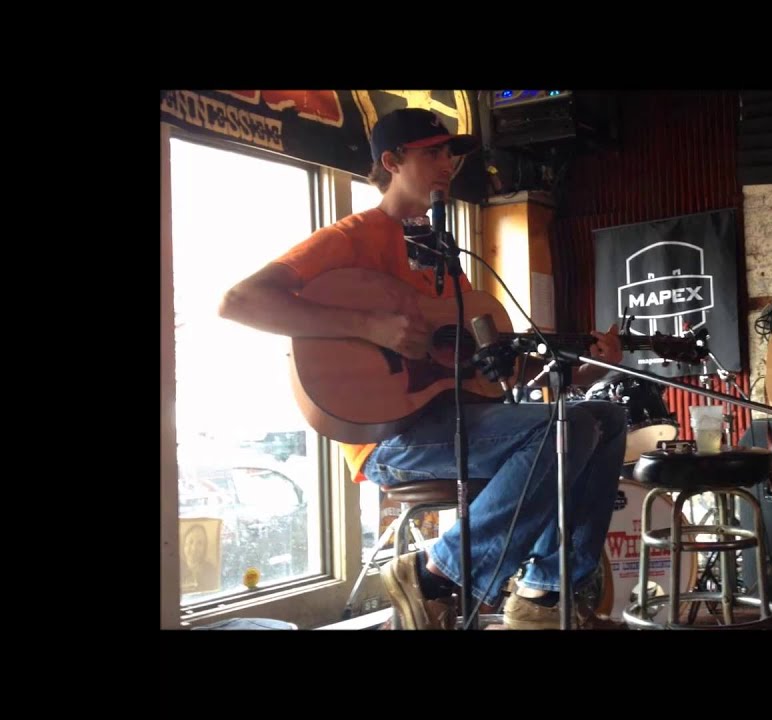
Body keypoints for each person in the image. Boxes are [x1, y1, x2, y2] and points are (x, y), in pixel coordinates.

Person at [218, 108, 629, 629]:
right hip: (389, 435)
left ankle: (547, 597)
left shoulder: (441, 251)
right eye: (432, 152)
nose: (448, 165)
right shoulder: (352, 234)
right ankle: (440, 572)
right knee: (562, 430)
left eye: (450, 154)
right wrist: (369, 326)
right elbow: (239, 301)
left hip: (455, 417)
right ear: (390, 161)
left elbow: (483, 372)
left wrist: (584, 371)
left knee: (604, 417)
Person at [181, 523, 220, 593]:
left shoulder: (211, 571)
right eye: (190, 542)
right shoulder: (175, 569)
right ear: (184, 545)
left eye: (199, 543)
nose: (194, 548)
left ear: (204, 548)